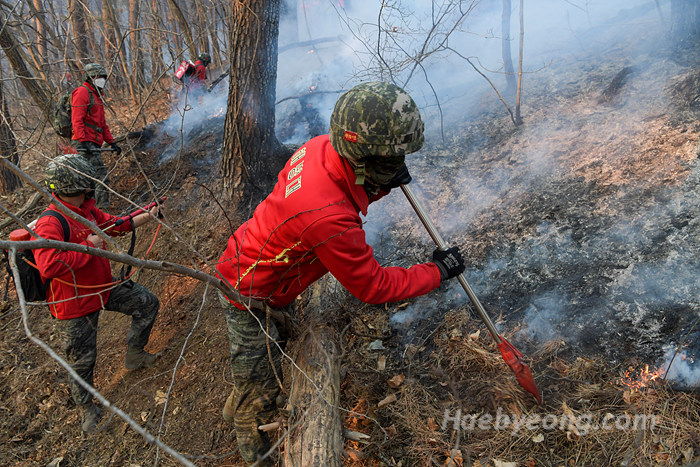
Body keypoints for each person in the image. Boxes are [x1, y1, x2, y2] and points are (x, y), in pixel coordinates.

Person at [215, 81, 466, 465]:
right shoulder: (327, 218)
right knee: (260, 400)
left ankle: (241, 391)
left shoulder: (321, 147)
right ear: (362, 154)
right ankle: (253, 447)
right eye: (388, 160)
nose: (397, 166)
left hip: (263, 270)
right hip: (247, 294)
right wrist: (436, 271)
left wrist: (383, 183)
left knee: (268, 356)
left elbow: (346, 188)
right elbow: (374, 286)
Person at [34, 154, 161, 434]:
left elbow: (116, 224)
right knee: (83, 360)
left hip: (103, 289)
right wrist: (88, 246)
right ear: (73, 186)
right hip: (74, 304)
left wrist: (150, 212)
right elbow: (48, 264)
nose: (91, 187)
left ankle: (135, 355)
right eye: (86, 183)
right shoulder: (51, 222)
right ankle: (86, 410)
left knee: (147, 303)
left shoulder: (87, 210)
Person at [71, 63, 121, 211]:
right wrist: (83, 140)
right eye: (98, 77)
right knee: (100, 178)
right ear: (90, 77)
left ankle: (91, 213)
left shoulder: (97, 96)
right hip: (83, 144)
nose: (101, 80)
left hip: (93, 143)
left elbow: (102, 125)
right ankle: (102, 213)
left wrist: (112, 143)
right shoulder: (82, 92)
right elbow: (77, 119)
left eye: (103, 77)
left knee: (90, 181)